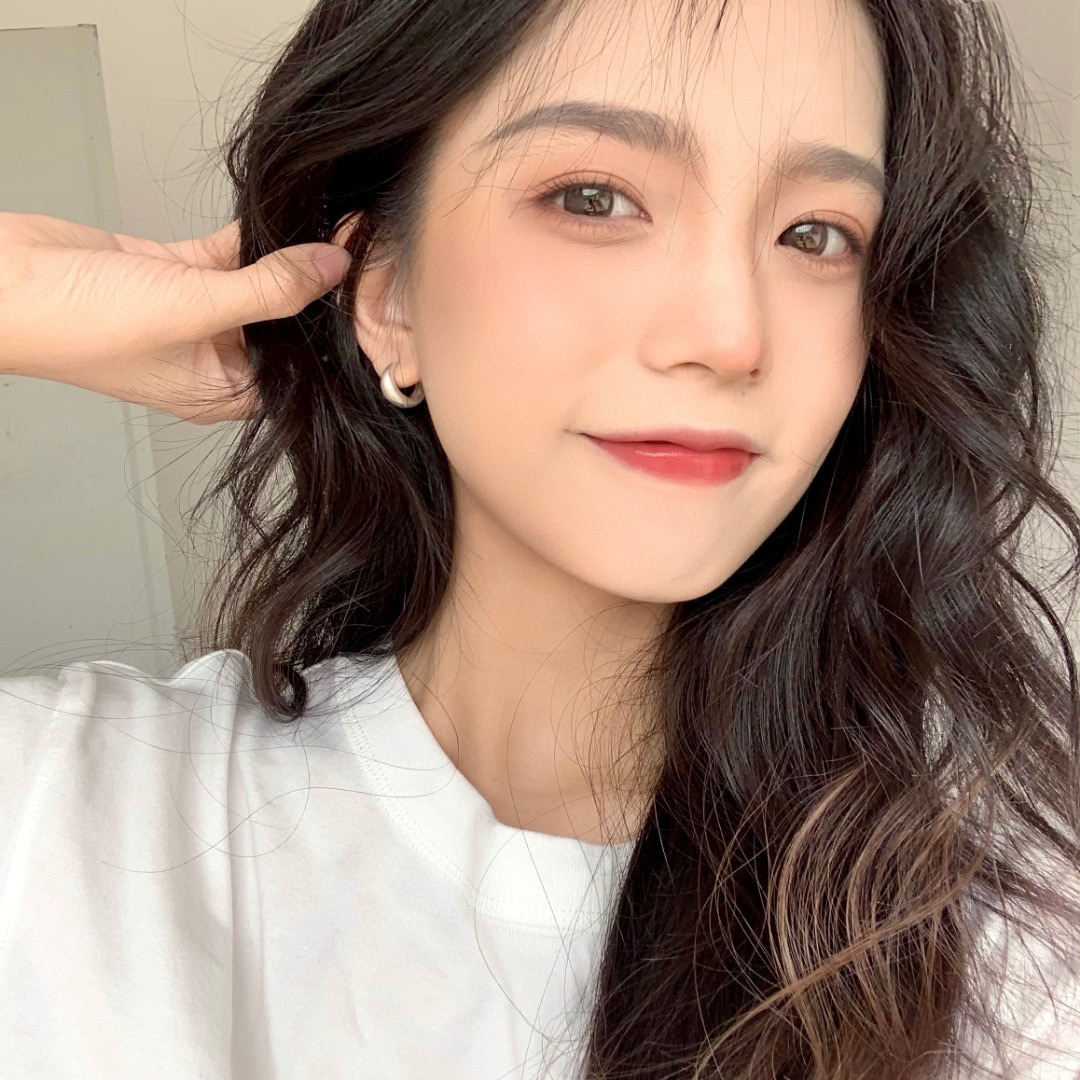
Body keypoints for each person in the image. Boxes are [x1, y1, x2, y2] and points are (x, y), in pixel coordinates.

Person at [1, 0, 1079, 1076]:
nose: (730, 335)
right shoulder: (64, 813)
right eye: (593, 198)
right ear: (386, 296)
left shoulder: (1011, 950)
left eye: (816, 234)